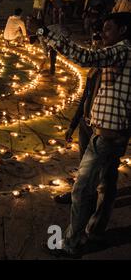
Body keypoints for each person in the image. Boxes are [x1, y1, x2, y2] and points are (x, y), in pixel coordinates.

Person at [39, 12, 131, 257]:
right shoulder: (122, 55)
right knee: (106, 183)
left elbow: (85, 57)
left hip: (106, 137)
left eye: (109, 28)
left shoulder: (122, 50)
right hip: (114, 133)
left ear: (123, 30)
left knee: (82, 189)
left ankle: (72, 243)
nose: (103, 33)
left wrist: (49, 35)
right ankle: (95, 231)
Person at [54, 67, 102, 204]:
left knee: (96, 167)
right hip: (85, 124)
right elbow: (85, 98)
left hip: (100, 129)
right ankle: (80, 195)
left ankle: (90, 199)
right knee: (84, 165)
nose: (96, 44)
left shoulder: (116, 73)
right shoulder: (94, 71)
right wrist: (72, 125)